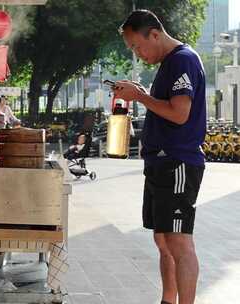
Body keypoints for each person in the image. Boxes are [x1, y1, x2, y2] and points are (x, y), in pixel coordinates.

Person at [113, 10, 206, 304]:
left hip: (177, 161)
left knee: (179, 241)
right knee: (163, 239)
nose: (138, 54)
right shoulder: (170, 63)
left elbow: (180, 113)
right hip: (160, 162)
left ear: (154, 34)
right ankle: (168, 299)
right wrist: (140, 93)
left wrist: (139, 97)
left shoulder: (182, 59)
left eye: (137, 46)